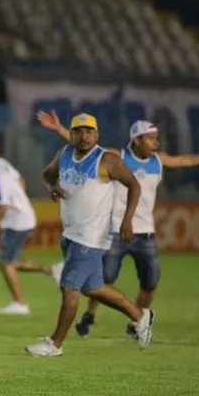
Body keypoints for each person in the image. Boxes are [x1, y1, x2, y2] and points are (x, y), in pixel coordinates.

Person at [37, 111, 199, 337]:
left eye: (156, 137)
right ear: (136, 139)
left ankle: (138, 320)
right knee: (101, 280)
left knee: (149, 283)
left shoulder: (158, 160)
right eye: (151, 137)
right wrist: (61, 130)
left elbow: (184, 161)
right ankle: (90, 316)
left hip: (146, 234)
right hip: (115, 229)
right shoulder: (118, 156)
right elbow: (86, 148)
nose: (156, 141)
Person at [25, 113, 155, 357]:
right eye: (79, 131)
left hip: (91, 236)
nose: (84, 136)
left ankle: (55, 344)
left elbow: (134, 185)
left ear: (96, 134)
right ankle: (140, 316)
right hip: (71, 233)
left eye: (89, 131)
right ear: (72, 134)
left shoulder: (107, 159)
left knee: (69, 288)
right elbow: (47, 175)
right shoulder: (64, 154)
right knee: (93, 288)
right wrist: (52, 189)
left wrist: (127, 219)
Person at [0, 138, 63, 315]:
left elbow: (2, 209)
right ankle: (51, 270)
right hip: (22, 217)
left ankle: (20, 303)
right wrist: (18, 197)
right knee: (9, 262)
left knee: (5, 263)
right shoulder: (2, 164)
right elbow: (21, 181)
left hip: (18, 221)